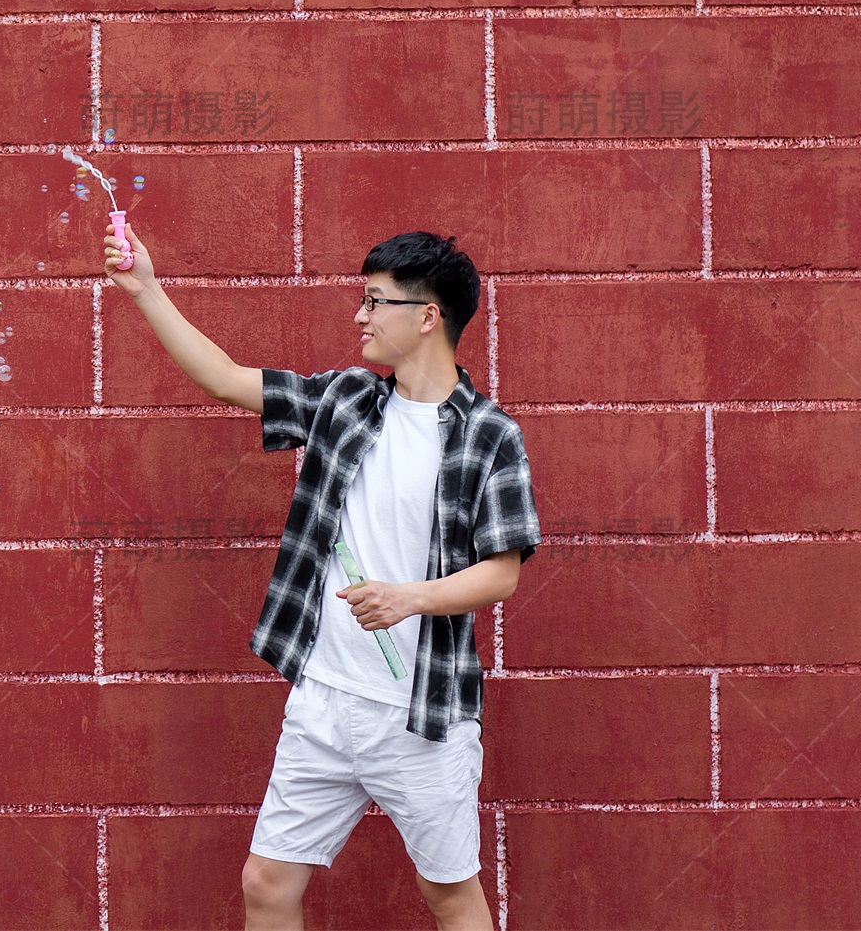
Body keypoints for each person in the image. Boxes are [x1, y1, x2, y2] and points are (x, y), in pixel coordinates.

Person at [105, 225, 539, 931]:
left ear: (428, 317)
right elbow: (224, 378)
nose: (359, 314)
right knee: (267, 884)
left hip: (421, 715)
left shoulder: (489, 434)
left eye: (376, 300)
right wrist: (146, 289)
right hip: (325, 700)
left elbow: (502, 572)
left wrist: (409, 598)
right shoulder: (346, 401)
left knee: (450, 896)